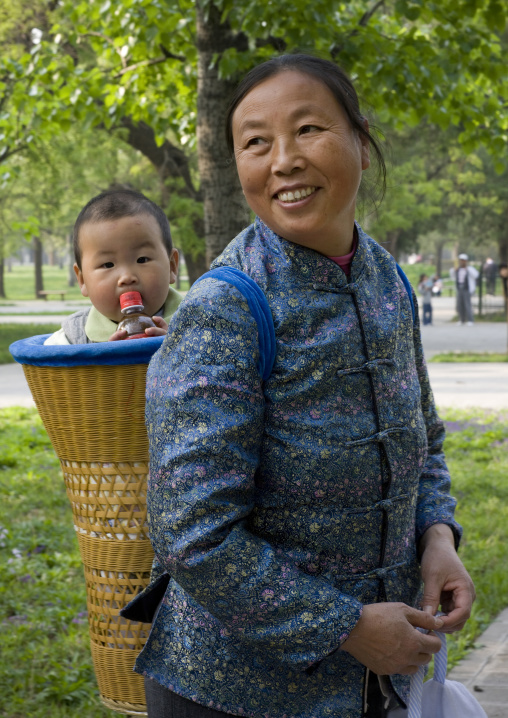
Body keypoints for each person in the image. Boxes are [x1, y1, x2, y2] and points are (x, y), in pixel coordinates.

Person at [130, 55, 475, 718]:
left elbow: (422, 438)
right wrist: (345, 627)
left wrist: (437, 537)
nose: (282, 160)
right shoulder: (226, 308)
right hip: (231, 692)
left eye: (308, 129)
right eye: (256, 143)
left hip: (375, 683)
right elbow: (193, 533)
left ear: (361, 144)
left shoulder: (389, 282)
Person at [44, 189, 181, 344]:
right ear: (82, 280)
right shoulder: (72, 338)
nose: (127, 277)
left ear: (171, 266)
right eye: (108, 264)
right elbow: (48, 365)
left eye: (142, 259)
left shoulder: (199, 321)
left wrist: (177, 349)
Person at [453, 253, 479, 326]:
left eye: (463, 260)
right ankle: (461, 319)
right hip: (459, 288)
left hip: (466, 288)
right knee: (460, 305)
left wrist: (468, 270)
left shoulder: (470, 269)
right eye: (461, 260)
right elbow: (452, 276)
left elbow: (476, 275)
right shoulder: (458, 269)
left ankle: (470, 320)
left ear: (466, 261)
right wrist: (454, 270)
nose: (462, 262)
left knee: (467, 305)